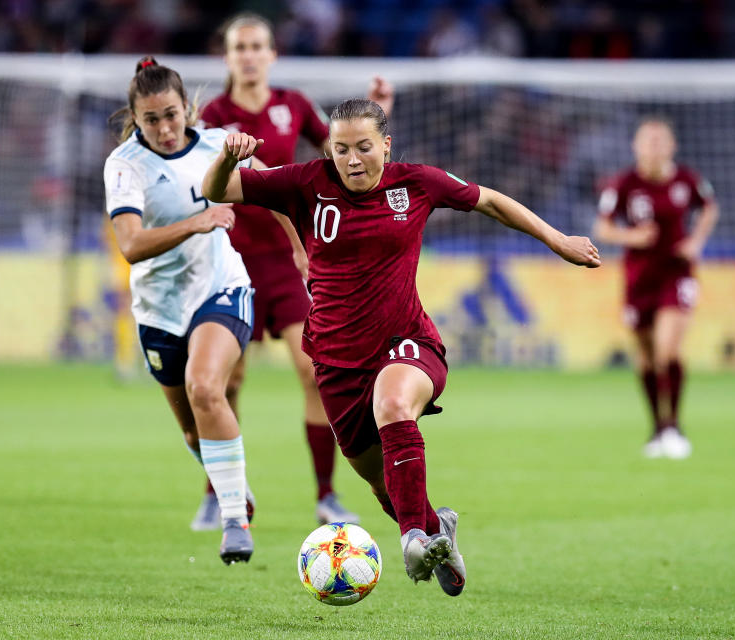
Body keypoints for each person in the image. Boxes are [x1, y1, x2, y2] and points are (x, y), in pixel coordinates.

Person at [202, 98, 600, 595]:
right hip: (335, 363)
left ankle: (413, 538)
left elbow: (493, 201)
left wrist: (558, 239)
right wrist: (227, 157)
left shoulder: (417, 183)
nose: (351, 159)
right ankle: (436, 530)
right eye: (341, 148)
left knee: (393, 404)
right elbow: (215, 189)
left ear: (385, 146)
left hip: (407, 342)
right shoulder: (306, 183)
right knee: (383, 484)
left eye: (364, 148)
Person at [193, 12, 395, 529]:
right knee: (228, 381)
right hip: (230, 264)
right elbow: (201, 184)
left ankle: (327, 494)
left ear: (272, 53)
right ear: (228, 56)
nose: (249, 55)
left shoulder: (294, 105)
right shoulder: (212, 115)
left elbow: (343, 153)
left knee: (312, 370)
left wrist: (380, 114)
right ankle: (218, 493)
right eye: (240, 46)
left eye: (258, 45)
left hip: (287, 265)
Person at [104, 56, 261, 564]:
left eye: (171, 114)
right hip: (158, 309)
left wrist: (302, 250)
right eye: (151, 119)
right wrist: (197, 222)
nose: (165, 128)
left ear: (187, 107)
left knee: (204, 386)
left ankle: (234, 519)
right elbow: (131, 245)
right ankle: (233, 482)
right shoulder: (126, 165)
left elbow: (282, 190)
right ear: (135, 118)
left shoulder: (219, 144)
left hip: (222, 287)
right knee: (192, 430)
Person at [593, 117, 718, 459]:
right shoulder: (622, 184)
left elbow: (709, 208)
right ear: (636, 147)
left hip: (676, 273)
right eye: (647, 141)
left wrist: (696, 242)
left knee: (668, 351)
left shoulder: (687, 181)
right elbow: (602, 228)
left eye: (660, 140)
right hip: (639, 279)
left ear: (672, 146)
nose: (654, 147)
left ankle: (675, 426)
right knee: (646, 357)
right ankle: (657, 429)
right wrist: (630, 236)